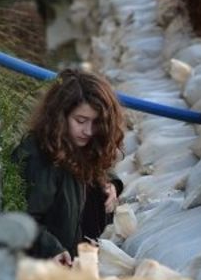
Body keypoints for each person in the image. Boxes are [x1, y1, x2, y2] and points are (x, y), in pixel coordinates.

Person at [14, 69, 125, 266]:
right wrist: (50, 249)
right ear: (59, 116)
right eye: (80, 121)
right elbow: (21, 217)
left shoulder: (84, 145)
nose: (88, 131)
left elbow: (100, 169)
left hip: (81, 260)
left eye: (97, 123)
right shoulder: (38, 158)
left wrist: (111, 185)